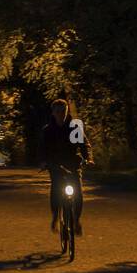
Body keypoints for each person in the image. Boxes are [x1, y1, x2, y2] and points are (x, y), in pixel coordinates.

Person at [41, 99, 92, 235]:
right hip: (55, 165)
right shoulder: (48, 130)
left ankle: (76, 220)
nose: (60, 114)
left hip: (73, 164)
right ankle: (55, 217)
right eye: (57, 111)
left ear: (67, 111)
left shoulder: (74, 128)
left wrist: (88, 158)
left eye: (63, 111)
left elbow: (84, 144)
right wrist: (44, 162)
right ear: (53, 113)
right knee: (56, 189)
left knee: (78, 192)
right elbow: (43, 149)